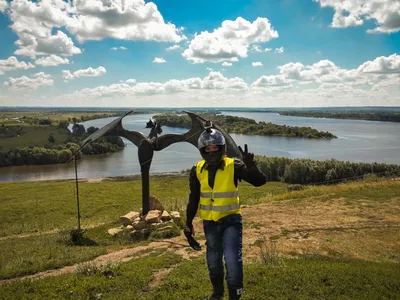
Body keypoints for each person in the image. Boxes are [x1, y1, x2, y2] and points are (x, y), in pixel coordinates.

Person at [185, 128, 267, 300]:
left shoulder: (234, 165)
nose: (212, 150)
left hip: (231, 221)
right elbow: (194, 199)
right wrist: (188, 223)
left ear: (221, 148)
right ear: (203, 150)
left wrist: (251, 167)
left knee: (231, 259)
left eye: (215, 147)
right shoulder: (197, 170)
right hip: (210, 223)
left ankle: (234, 296)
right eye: (208, 148)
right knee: (213, 261)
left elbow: (259, 182)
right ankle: (217, 293)